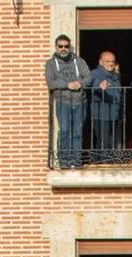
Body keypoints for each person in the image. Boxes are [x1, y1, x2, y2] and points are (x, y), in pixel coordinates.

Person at [46, 36, 91, 169]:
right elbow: (51, 83)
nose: (63, 49)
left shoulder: (79, 61)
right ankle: (64, 161)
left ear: (70, 47)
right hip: (62, 101)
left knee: (77, 132)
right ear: (56, 47)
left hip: (80, 101)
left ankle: (76, 161)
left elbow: (89, 77)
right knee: (64, 130)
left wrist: (80, 83)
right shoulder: (51, 63)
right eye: (60, 46)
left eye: (66, 46)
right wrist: (68, 85)